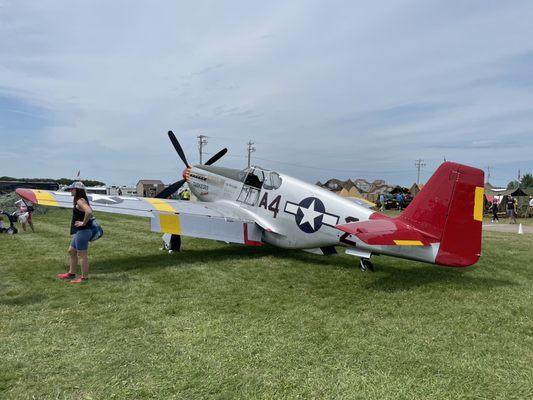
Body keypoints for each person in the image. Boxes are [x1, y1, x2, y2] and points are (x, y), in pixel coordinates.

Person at [56, 182, 93, 283]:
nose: (70, 191)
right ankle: (71, 273)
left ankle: (84, 278)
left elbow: (89, 211)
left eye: (72, 189)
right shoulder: (80, 200)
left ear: (77, 190)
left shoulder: (80, 201)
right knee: (71, 251)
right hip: (81, 232)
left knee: (82, 255)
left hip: (83, 231)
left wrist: (83, 223)